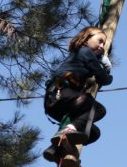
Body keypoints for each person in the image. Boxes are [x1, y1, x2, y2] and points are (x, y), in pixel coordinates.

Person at [42, 26, 113, 162]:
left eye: (104, 43)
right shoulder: (85, 51)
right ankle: (68, 130)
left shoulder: (80, 56)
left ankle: (55, 150)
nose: (102, 45)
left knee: (93, 132)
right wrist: (107, 71)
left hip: (55, 104)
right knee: (98, 109)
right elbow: (103, 78)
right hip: (62, 93)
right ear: (86, 39)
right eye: (99, 41)